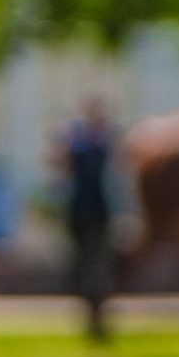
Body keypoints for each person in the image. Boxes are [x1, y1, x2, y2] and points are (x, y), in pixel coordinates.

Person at [58, 95, 117, 342]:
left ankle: (99, 313)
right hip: (80, 207)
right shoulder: (77, 141)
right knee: (83, 262)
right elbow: (64, 170)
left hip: (99, 208)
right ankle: (88, 312)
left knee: (99, 262)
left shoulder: (107, 140)